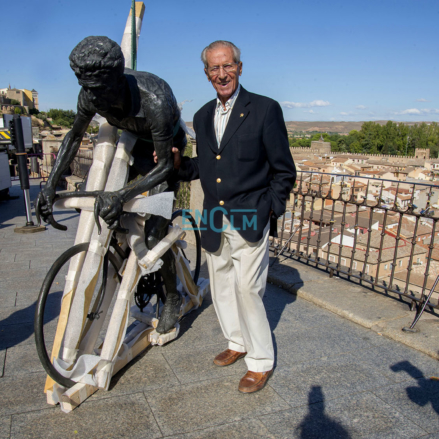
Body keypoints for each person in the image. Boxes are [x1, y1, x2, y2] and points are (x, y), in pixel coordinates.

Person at [166, 40, 296, 393]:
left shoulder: (265, 110)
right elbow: (205, 167)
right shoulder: (203, 115)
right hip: (212, 216)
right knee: (221, 284)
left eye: (228, 66)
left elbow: (284, 171)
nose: (221, 74)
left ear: (240, 67)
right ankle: (236, 342)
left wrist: (270, 208)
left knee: (247, 288)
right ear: (206, 73)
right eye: (214, 68)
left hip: (251, 214)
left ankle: (259, 361)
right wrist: (180, 166)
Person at [35, 36, 186, 334]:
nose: (95, 99)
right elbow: (73, 137)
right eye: (88, 89)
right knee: (108, 217)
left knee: (155, 237)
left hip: (164, 154)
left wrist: (120, 195)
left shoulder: (155, 99)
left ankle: (172, 296)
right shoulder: (91, 93)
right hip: (131, 147)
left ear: (119, 78)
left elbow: (166, 165)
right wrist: (50, 183)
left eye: (101, 90)